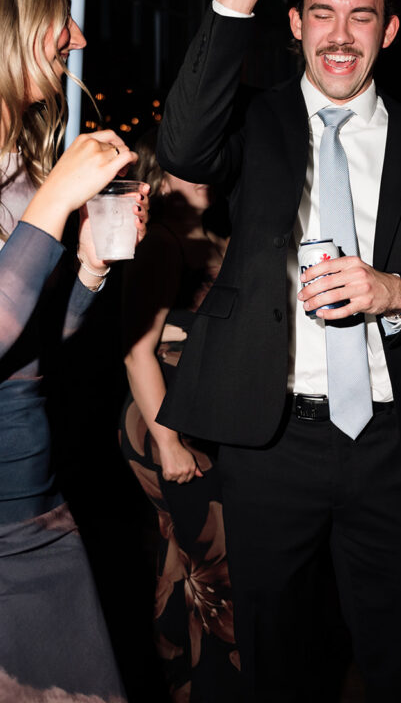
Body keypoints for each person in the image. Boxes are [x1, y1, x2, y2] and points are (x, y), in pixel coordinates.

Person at [153, 0, 401, 701]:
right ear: (292, 23)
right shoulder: (253, 121)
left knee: (397, 651)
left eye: (361, 18)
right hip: (271, 437)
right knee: (274, 656)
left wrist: (394, 292)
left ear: (388, 31)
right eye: (322, 14)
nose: (340, 35)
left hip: (387, 446)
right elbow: (182, 149)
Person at [0, 0, 148, 700]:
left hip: (33, 503)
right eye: (62, 17)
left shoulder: (21, 175)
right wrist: (58, 200)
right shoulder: (39, 187)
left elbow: (31, 343)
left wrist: (88, 262)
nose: (79, 40)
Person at [119, 127, 239, 701]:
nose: (207, 169)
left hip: (190, 414)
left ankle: (171, 680)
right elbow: (136, 348)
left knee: (185, 561)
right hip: (161, 417)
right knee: (218, 572)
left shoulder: (204, 234)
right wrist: (168, 443)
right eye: (193, 163)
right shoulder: (162, 241)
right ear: (164, 174)